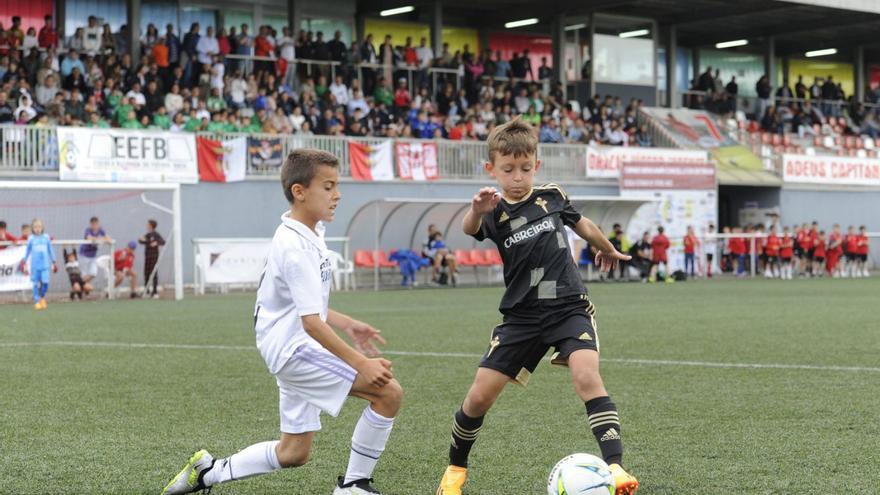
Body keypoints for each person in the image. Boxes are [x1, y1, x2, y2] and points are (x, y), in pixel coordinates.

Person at [161, 149, 402, 495]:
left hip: (288, 348)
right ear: (299, 191)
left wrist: (348, 323)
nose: (337, 195)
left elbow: (305, 306)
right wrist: (361, 362)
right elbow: (311, 324)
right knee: (388, 394)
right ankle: (353, 486)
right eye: (329, 187)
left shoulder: (308, 233)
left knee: (293, 452)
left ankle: (206, 472)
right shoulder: (294, 246)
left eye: (338, 187)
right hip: (296, 349)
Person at [435, 119, 638, 495]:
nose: (517, 177)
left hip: (568, 307)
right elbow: (468, 228)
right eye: (508, 170)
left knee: (586, 377)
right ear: (491, 170)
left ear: (536, 166)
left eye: (525, 169)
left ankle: (616, 469)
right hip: (521, 316)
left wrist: (606, 247)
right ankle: (455, 471)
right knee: (479, 397)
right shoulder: (493, 213)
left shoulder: (552, 196)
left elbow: (583, 224)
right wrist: (477, 209)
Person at [21, 219, 57, 310]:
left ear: (42, 228)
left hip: (45, 266)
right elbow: (28, 251)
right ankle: (37, 301)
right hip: (35, 266)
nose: (37, 229)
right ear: (32, 228)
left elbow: (50, 250)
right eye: (35, 227)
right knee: (35, 284)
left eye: (39, 227)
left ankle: (42, 297)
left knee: (45, 283)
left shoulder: (46, 237)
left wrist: (54, 261)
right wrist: (24, 261)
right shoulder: (31, 238)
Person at [139, 219, 166, 298]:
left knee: (153, 273)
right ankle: (147, 291)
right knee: (146, 273)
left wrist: (156, 242)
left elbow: (163, 242)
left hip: (154, 256)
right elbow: (141, 241)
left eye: (148, 224)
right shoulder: (147, 235)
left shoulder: (156, 234)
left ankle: (155, 292)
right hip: (147, 256)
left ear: (151, 225)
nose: (147, 225)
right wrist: (142, 239)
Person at [80, 217, 111, 285]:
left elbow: (108, 238)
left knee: (93, 273)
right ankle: (83, 289)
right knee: (84, 274)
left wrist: (101, 239)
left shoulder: (101, 230)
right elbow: (89, 238)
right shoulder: (88, 230)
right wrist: (100, 239)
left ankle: (80, 285)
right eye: (93, 224)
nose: (95, 226)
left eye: (96, 224)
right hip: (84, 255)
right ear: (91, 224)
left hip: (93, 256)